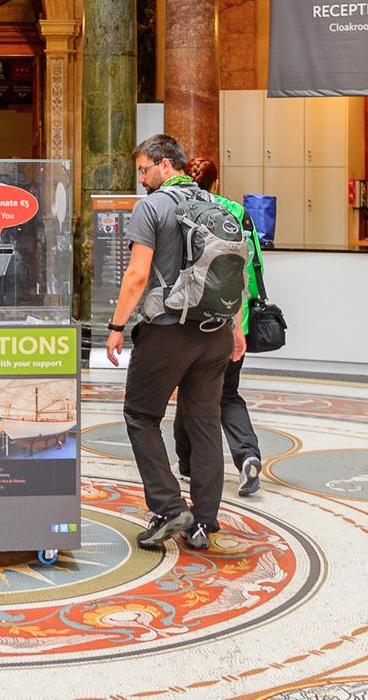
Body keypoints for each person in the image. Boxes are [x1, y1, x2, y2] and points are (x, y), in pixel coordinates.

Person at [105, 134, 247, 551]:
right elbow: (233, 273)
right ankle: (204, 522)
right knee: (204, 425)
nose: (141, 179)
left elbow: (136, 275)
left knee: (140, 415)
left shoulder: (151, 207)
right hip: (216, 334)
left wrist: (116, 326)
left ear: (166, 165)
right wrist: (235, 328)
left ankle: (169, 509)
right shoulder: (220, 206)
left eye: (144, 169)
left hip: (168, 332)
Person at [170, 156, 267, 500]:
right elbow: (254, 269)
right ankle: (248, 455)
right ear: (216, 180)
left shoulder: (181, 206)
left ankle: (187, 463)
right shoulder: (236, 212)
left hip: (193, 319)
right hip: (233, 319)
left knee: (189, 391)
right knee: (227, 393)